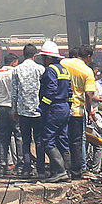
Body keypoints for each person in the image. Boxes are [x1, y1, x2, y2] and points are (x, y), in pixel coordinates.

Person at [36, 41, 74, 179]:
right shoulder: (64, 70)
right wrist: (67, 108)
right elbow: (70, 92)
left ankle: (60, 170)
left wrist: (43, 107)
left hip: (54, 108)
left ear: (48, 58)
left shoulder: (51, 70)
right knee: (62, 138)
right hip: (64, 108)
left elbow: (50, 90)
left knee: (47, 139)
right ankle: (67, 171)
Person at [12, 44, 45, 177]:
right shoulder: (41, 69)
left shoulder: (17, 70)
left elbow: (14, 92)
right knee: (39, 140)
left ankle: (27, 167)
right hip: (38, 110)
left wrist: (14, 109)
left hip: (22, 110)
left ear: (23, 54)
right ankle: (41, 168)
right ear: (35, 55)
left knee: (25, 140)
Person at [66, 47, 97, 177]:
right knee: (77, 141)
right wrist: (90, 111)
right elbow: (88, 94)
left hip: (62, 108)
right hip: (77, 110)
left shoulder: (64, 63)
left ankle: (63, 168)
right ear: (88, 57)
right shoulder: (87, 71)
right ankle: (76, 170)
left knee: (63, 139)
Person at [0, 53, 18, 172]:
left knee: (2, 137)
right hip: (14, 107)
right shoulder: (16, 73)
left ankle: (2, 163)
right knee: (18, 136)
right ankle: (19, 163)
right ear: (14, 62)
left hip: (1, 107)